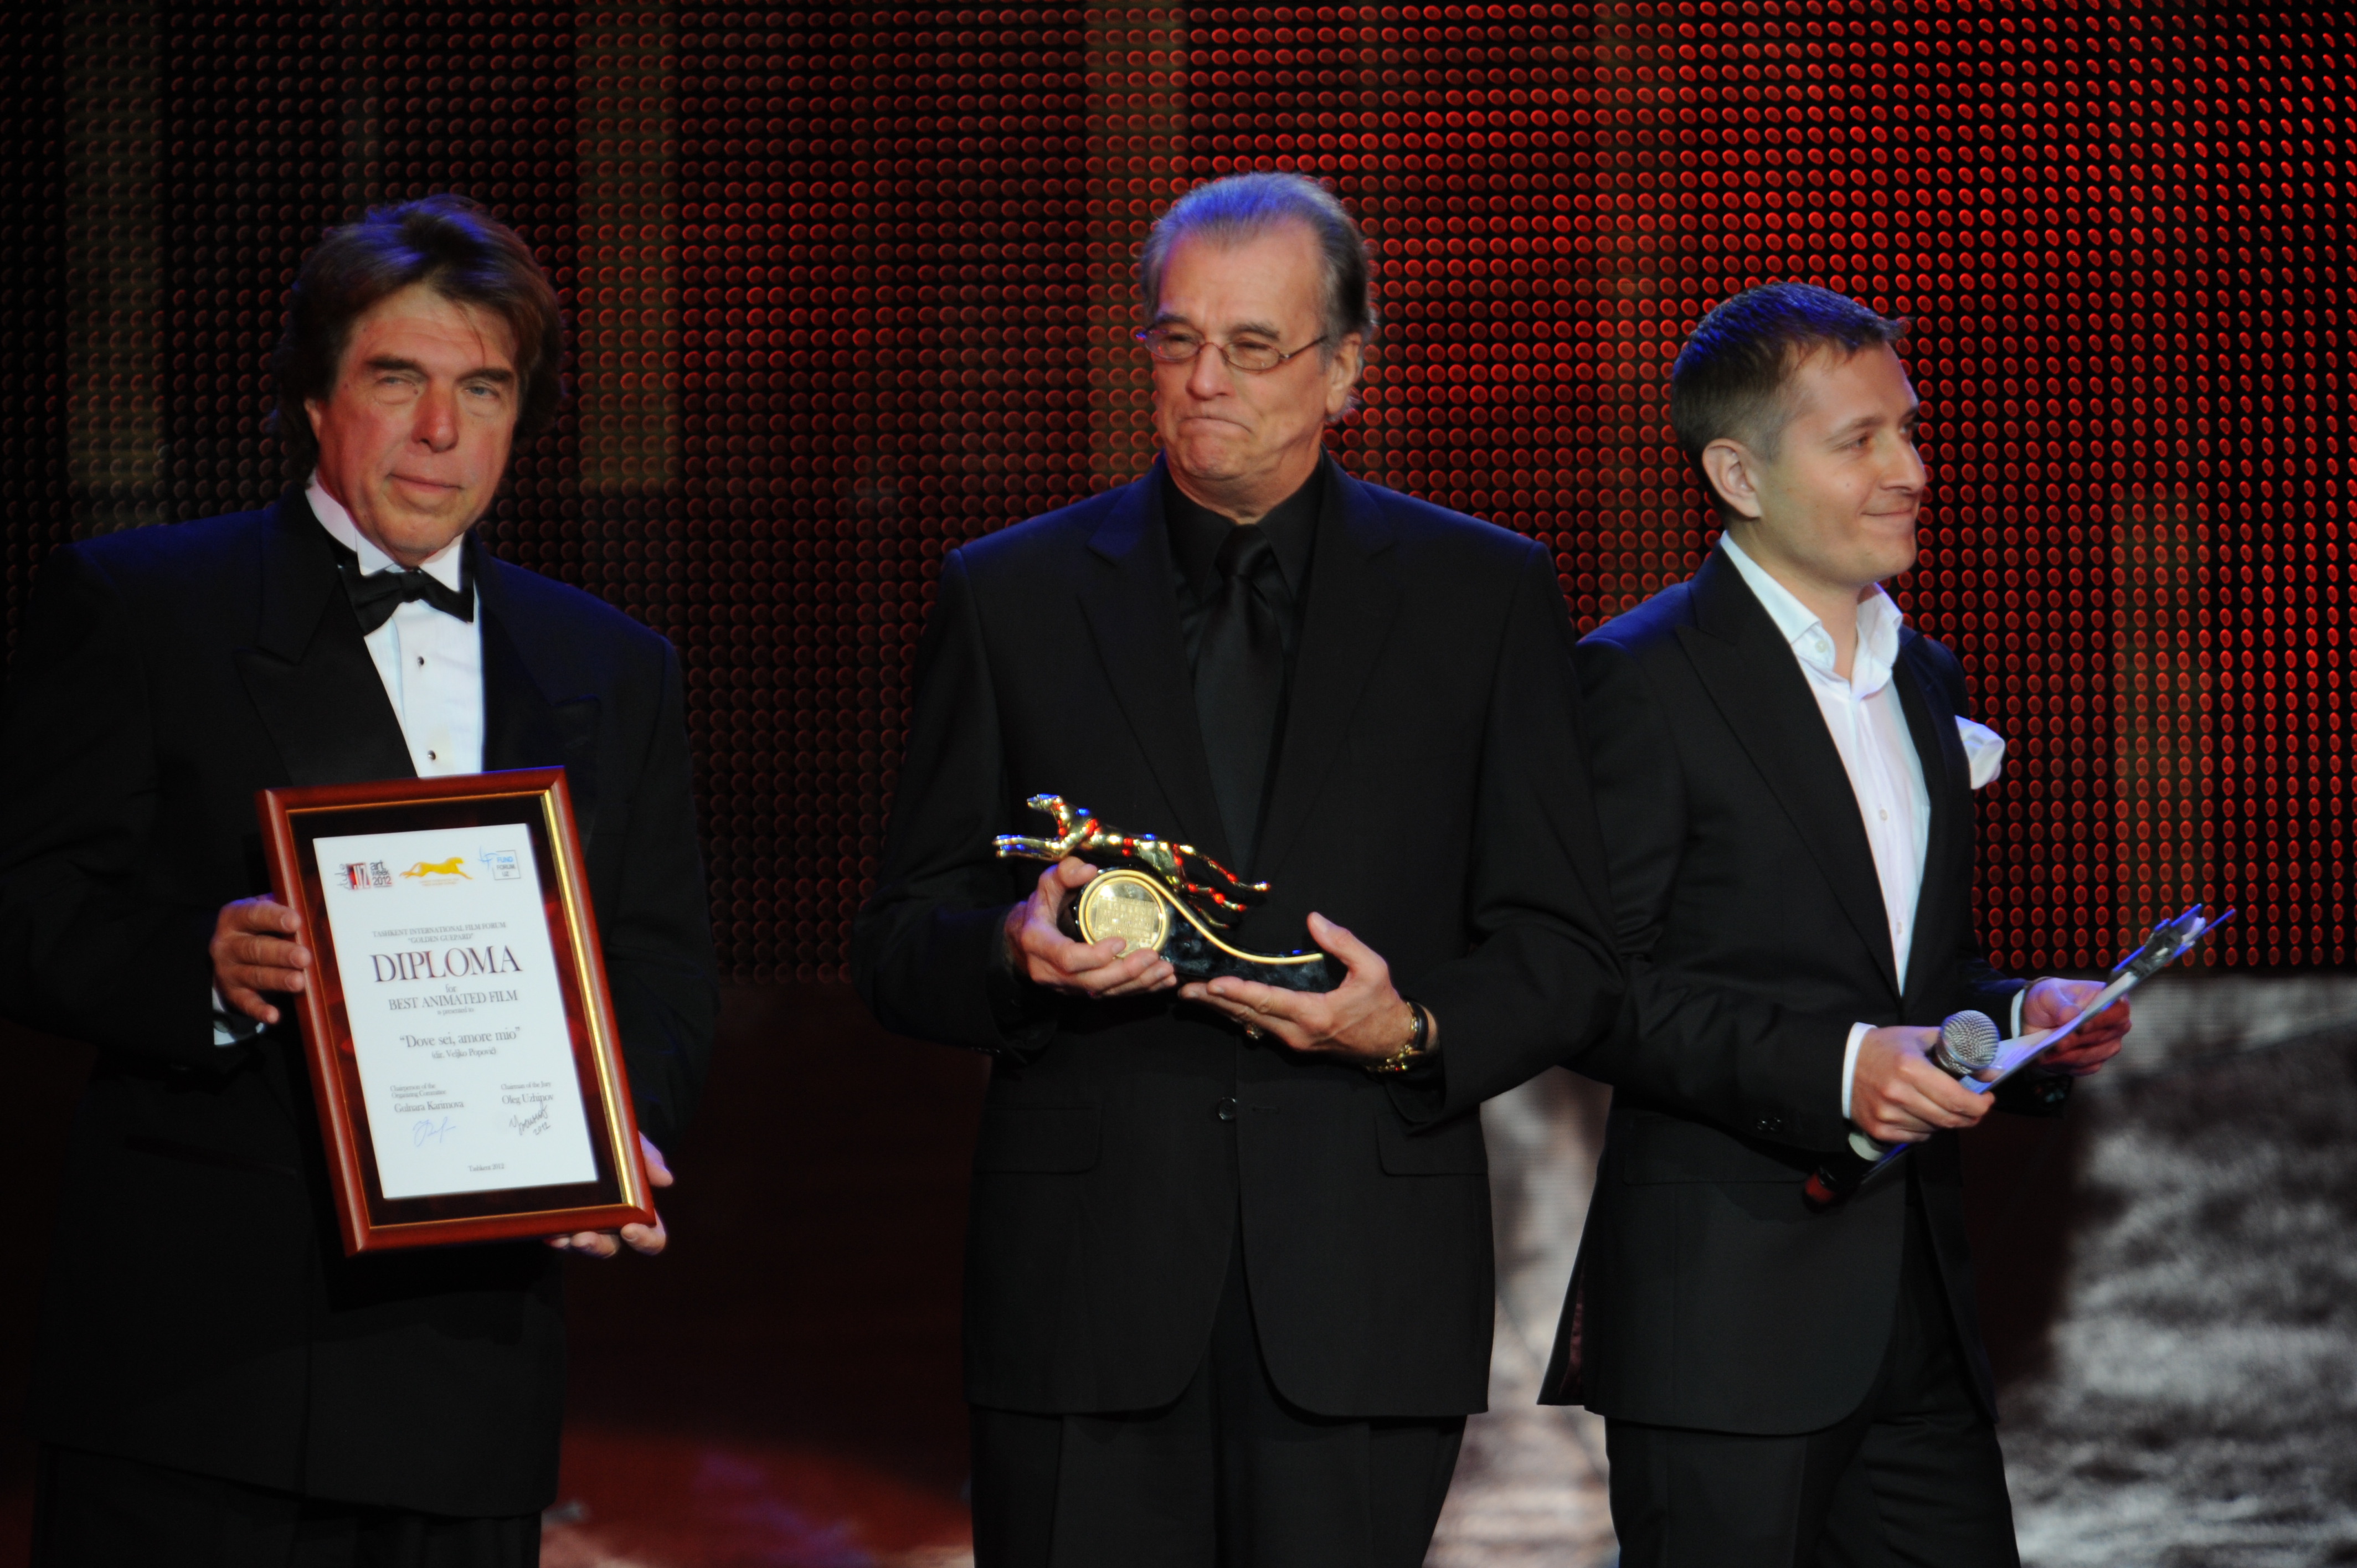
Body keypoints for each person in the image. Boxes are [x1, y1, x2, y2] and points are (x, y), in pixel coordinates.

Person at [852, 171, 1624, 1566]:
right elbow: (901, 938)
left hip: (1360, 1301)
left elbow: (1564, 950)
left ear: (1345, 371)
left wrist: (1415, 1030)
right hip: (1082, 1308)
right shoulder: (1012, 594)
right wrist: (1009, 951)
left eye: (1253, 346)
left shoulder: (1480, 596)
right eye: (1173, 339)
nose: (1203, 378)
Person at [1, 194, 716, 1566]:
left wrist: (613, 1122)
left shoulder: (614, 666)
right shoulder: (143, 605)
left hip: (468, 1373)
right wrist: (194, 968)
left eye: (484, 389)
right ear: (316, 400)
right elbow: (25, 903)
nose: (442, 432)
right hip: (195, 1372)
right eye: (400, 380)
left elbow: (663, 965)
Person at [1434, 282, 2130, 1565]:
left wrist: (2020, 1014)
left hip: (1921, 1318)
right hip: (1724, 1331)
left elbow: (1921, 972)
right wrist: (1838, 1067)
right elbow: (1597, 987)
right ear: (1737, 474)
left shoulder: (1924, 675)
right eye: (1860, 440)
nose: (1910, 471)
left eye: (1909, 432)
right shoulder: (1637, 680)